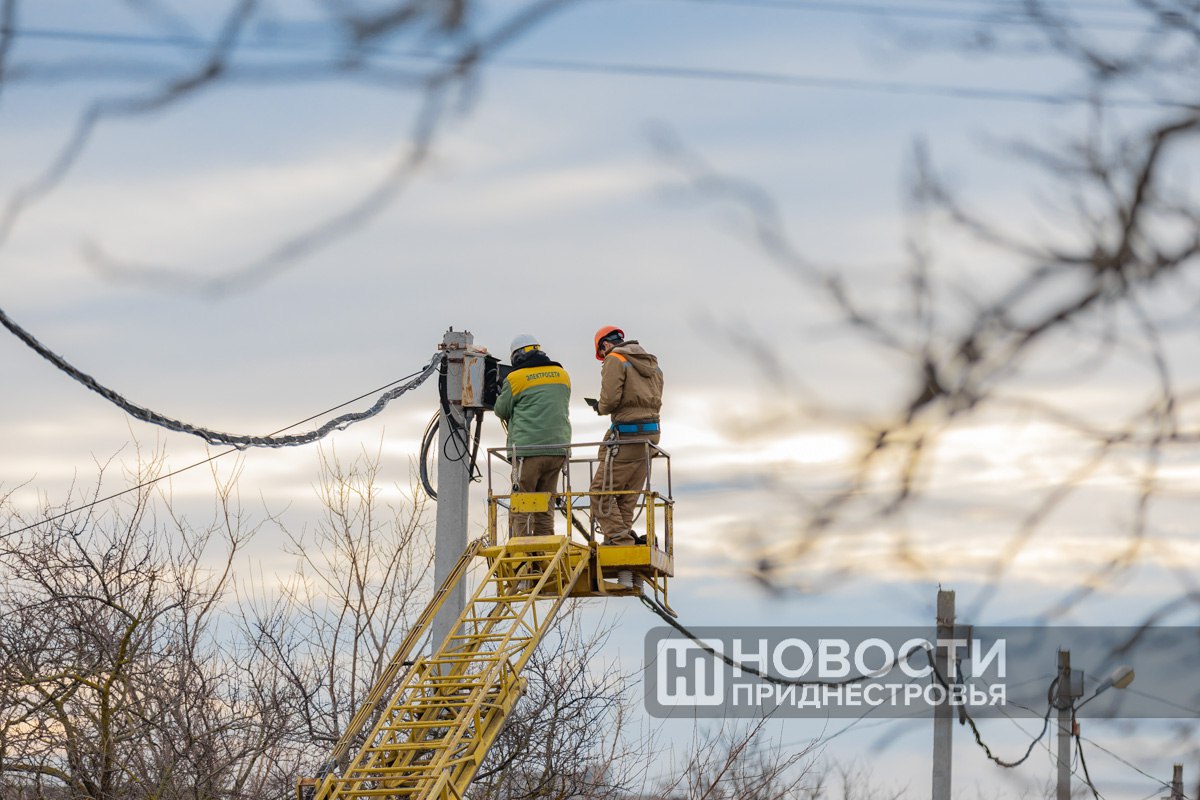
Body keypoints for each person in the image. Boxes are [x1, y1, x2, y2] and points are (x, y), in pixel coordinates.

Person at [588, 326, 664, 546]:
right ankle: (621, 536)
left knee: (600, 493)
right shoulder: (652, 363)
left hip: (628, 435)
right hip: (650, 436)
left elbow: (610, 400)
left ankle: (621, 541)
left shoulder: (615, 359)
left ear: (605, 345)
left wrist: (600, 408)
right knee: (626, 494)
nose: (603, 357)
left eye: (602, 353)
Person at [493, 334, 571, 536]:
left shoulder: (515, 378)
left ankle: (523, 558)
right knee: (546, 506)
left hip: (528, 451)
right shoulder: (562, 374)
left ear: (517, 357)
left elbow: (501, 410)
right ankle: (545, 555)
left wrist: (504, 391)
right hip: (558, 450)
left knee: (523, 505)